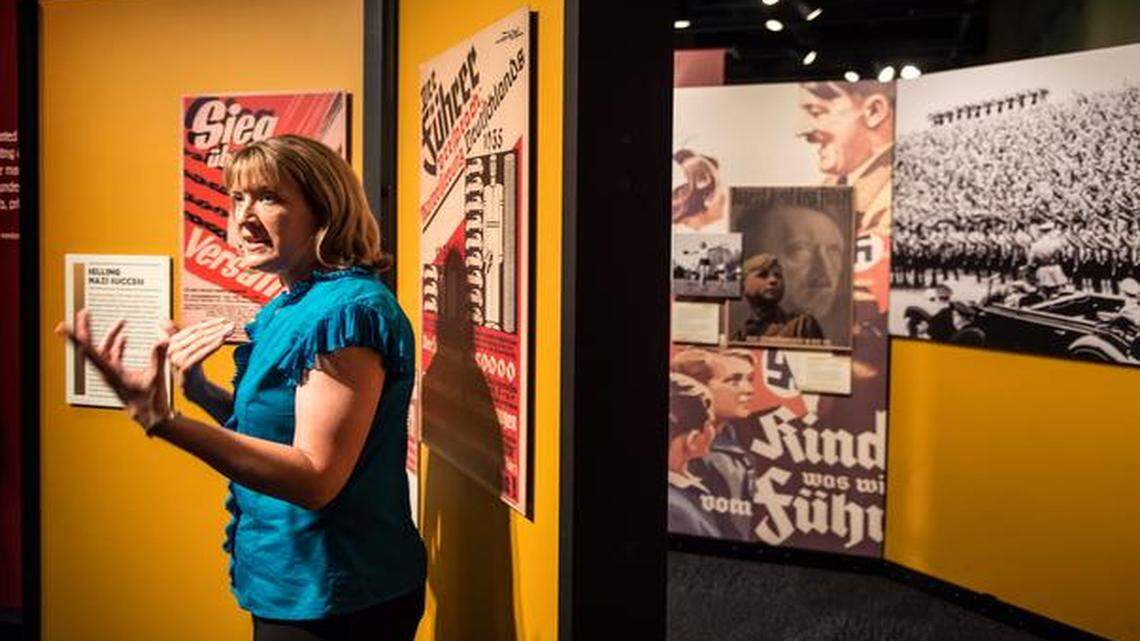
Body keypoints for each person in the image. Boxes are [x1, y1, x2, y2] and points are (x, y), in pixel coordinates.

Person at [56, 135, 426, 641]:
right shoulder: (292, 303)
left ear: (325, 211)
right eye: (237, 198)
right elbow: (285, 430)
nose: (243, 217)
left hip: (337, 594)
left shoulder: (345, 312)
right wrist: (203, 392)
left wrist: (164, 423)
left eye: (269, 198)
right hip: (294, 579)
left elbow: (316, 477)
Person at [670, 348, 756, 540]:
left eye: (749, 379)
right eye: (734, 380)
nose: (749, 389)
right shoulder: (691, 451)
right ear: (699, 387)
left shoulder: (738, 436)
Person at [796, 80, 895, 236]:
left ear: (874, 111)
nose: (800, 132)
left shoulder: (897, 198)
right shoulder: (833, 184)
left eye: (817, 113)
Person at [666, 373, 721, 538]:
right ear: (692, 440)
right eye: (710, 423)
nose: (714, 431)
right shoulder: (678, 512)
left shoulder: (688, 491)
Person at [732, 253, 824, 343]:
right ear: (743, 285)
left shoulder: (801, 325)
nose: (773, 280)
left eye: (778, 275)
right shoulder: (740, 337)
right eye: (763, 275)